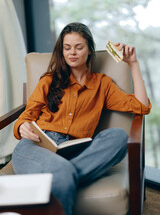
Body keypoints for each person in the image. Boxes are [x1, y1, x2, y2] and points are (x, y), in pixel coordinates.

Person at [12, 22, 151, 215]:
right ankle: (63, 175)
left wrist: (133, 64)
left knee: (118, 136)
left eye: (79, 47)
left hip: (77, 149)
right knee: (61, 170)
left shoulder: (102, 84)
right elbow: (26, 116)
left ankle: (61, 175)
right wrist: (22, 127)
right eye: (67, 48)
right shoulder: (49, 80)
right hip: (37, 146)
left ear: (89, 51)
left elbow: (142, 107)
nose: (72, 52)